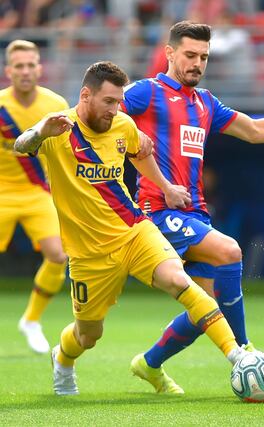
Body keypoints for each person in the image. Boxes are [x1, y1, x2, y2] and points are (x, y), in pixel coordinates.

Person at [120, 20, 264, 394]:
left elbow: (255, 130)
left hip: (193, 213)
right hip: (156, 211)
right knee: (230, 249)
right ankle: (243, 349)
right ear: (170, 53)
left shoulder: (205, 103)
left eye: (203, 57)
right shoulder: (147, 92)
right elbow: (102, 109)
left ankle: (148, 364)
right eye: (190, 55)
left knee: (207, 307)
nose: (197, 63)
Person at [14, 61, 250, 396]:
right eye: (109, 101)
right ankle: (63, 360)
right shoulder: (58, 128)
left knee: (178, 280)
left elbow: (140, 153)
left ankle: (238, 356)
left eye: (118, 101)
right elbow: (20, 145)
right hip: (88, 254)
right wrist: (39, 133)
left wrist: (166, 186)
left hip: (134, 230)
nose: (116, 109)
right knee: (88, 335)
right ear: (86, 95)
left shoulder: (122, 124)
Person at [0, 40, 69, 354]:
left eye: (31, 65)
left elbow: (68, 153)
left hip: (37, 192)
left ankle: (31, 320)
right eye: (19, 66)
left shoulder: (55, 105)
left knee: (58, 255)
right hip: (1, 193)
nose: (25, 71)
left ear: (39, 69)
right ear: (8, 71)